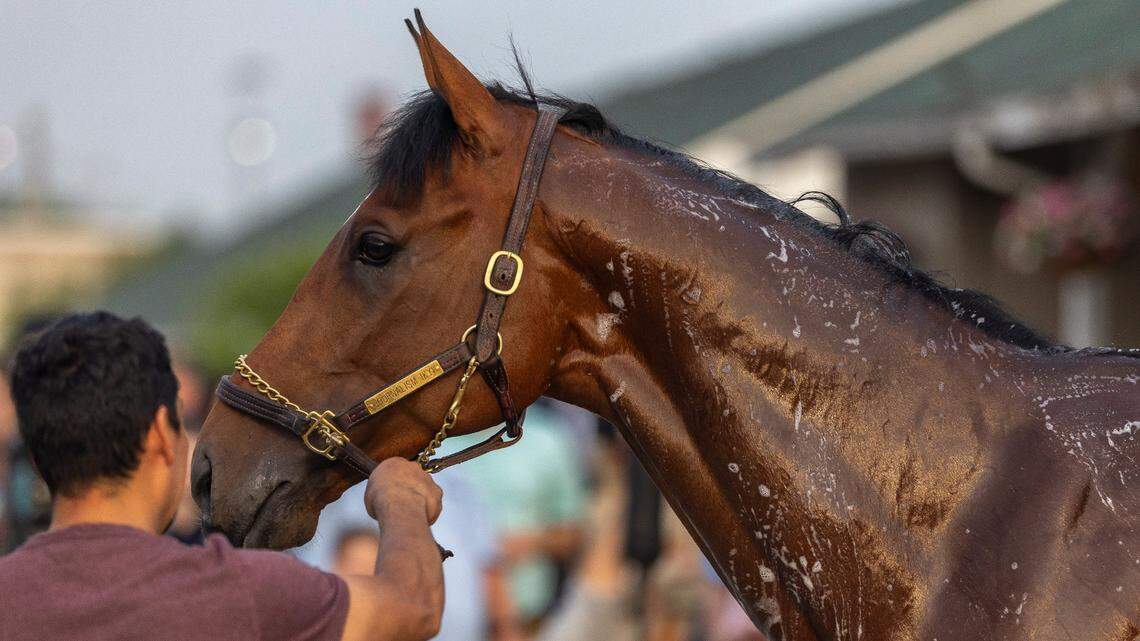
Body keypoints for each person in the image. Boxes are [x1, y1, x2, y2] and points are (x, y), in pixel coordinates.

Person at [0, 311, 445, 641]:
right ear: (160, 433)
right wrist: (400, 500)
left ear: (37, 460)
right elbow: (414, 607)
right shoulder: (241, 589)